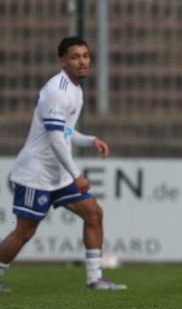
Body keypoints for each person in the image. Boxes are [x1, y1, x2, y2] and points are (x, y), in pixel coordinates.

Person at [0, 37, 125, 292]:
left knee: (94, 213)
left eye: (85, 56)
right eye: (75, 57)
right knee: (25, 232)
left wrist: (90, 140)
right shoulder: (58, 91)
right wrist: (77, 174)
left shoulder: (75, 89)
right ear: (63, 61)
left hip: (58, 174)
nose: (82, 62)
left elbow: (64, 132)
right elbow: (55, 140)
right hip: (37, 173)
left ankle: (94, 279)